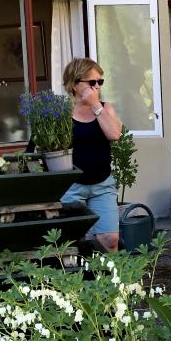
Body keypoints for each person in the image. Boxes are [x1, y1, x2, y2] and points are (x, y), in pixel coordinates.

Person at [59, 58, 123, 252]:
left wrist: (96, 106)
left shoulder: (105, 108)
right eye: (92, 82)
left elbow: (115, 135)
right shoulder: (62, 114)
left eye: (100, 82)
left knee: (110, 239)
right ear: (75, 84)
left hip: (102, 184)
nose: (97, 87)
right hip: (72, 185)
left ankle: (113, 281)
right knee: (69, 242)